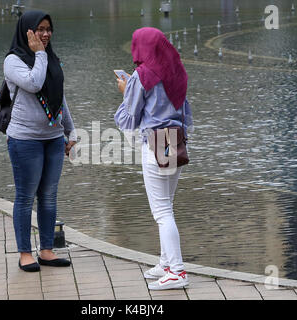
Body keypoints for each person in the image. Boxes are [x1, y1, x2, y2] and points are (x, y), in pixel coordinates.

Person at [114, 27, 193, 290]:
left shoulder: (142, 75)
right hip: (175, 141)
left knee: (161, 212)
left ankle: (178, 272)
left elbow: (129, 118)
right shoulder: (176, 70)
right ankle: (166, 263)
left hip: (156, 144)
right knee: (167, 205)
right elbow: (186, 114)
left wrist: (126, 90)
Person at [4, 11, 76, 272]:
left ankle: (46, 250)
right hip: (25, 140)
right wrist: (41, 55)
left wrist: (72, 132)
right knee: (25, 197)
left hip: (54, 139)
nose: (45, 34)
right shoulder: (13, 61)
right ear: (27, 32)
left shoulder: (52, 59)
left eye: (48, 29)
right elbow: (34, 83)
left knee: (48, 196)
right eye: (39, 29)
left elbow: (60, 98)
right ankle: (25, 253)